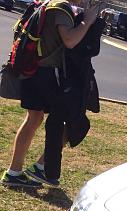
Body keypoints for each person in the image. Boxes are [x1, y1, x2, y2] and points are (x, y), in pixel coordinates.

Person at [1, 0, 100, 188]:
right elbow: (70, 41)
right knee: (73, 119)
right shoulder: (61, 8)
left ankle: (15, 172)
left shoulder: (47, 3)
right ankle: (41, 166)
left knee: (34, 118)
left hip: (33, 70)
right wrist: (87, 21)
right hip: (46, 74)